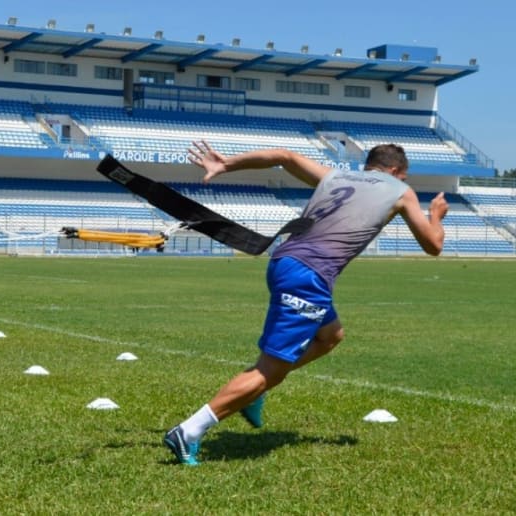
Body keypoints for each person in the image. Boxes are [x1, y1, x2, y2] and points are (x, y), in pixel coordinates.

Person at [163, 141, 448, 465]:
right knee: (269, 370)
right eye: (404, 177)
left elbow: (284, 156)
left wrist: (226, 165)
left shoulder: (336, 176)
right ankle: (189, 431)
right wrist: (435, 215)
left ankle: (257, 391)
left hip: (285, 262)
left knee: (331, 336)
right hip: (308, 277)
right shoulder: (400, 190)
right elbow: (433, 245)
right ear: (396, 171)